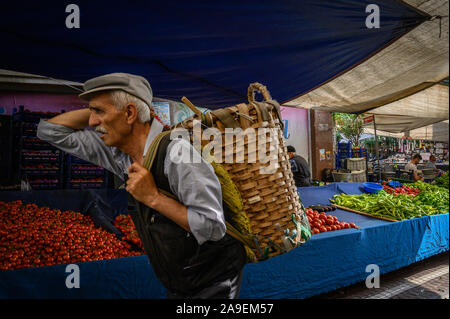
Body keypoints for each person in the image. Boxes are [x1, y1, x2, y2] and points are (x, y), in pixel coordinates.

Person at [37, 73, 246, 298]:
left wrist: (154, 198)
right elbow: (50, 131)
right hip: (179, 280)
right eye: (92, 111)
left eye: (99, 111)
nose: (91, 122)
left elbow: (213, 228)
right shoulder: (119, 154)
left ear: (129, 113)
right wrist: (99, 107)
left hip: (214, 282)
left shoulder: (178, 153)